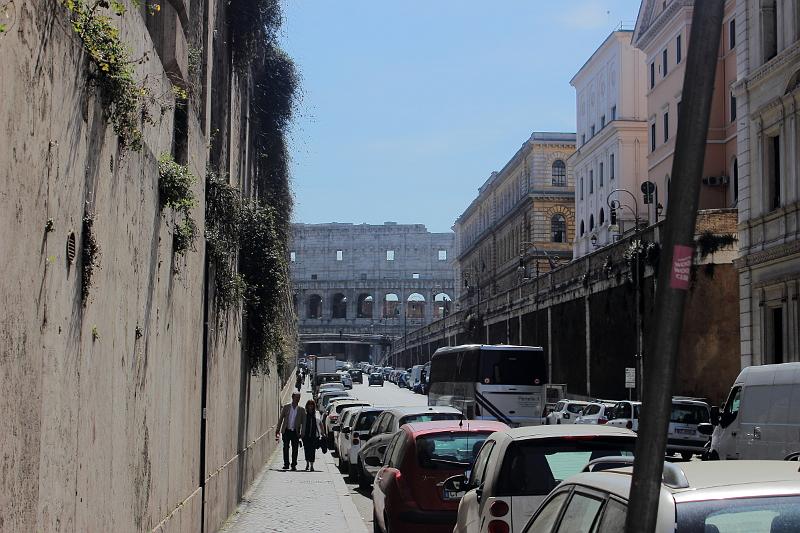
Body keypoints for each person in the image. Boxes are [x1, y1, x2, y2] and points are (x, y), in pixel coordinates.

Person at [276, 392, 306, 470]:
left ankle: (293, 465)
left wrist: (302, 433)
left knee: (295, 448)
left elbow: (304, 423)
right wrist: (278, 430)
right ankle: (286, 464)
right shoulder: (286, 407)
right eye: (296, 397)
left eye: (299, 398)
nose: (298, 399)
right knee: (285, 447)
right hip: (286, 430)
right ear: (292, 397)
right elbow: (281, 419)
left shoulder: (301, 410)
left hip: (295, 432)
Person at [301, 399, 323, 471]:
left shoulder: (316, 414)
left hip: (314, 436)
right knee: (306, 450)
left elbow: (320, 423)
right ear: (307, 406)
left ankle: (312, 465)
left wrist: (322, 433)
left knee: (312, 451)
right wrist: (300, 433)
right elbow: (301, 424)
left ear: (314, 406)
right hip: (306, 436)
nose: (310, 406)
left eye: (312, 405)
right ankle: (307, 463)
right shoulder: (305, 415)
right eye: (309, 405)